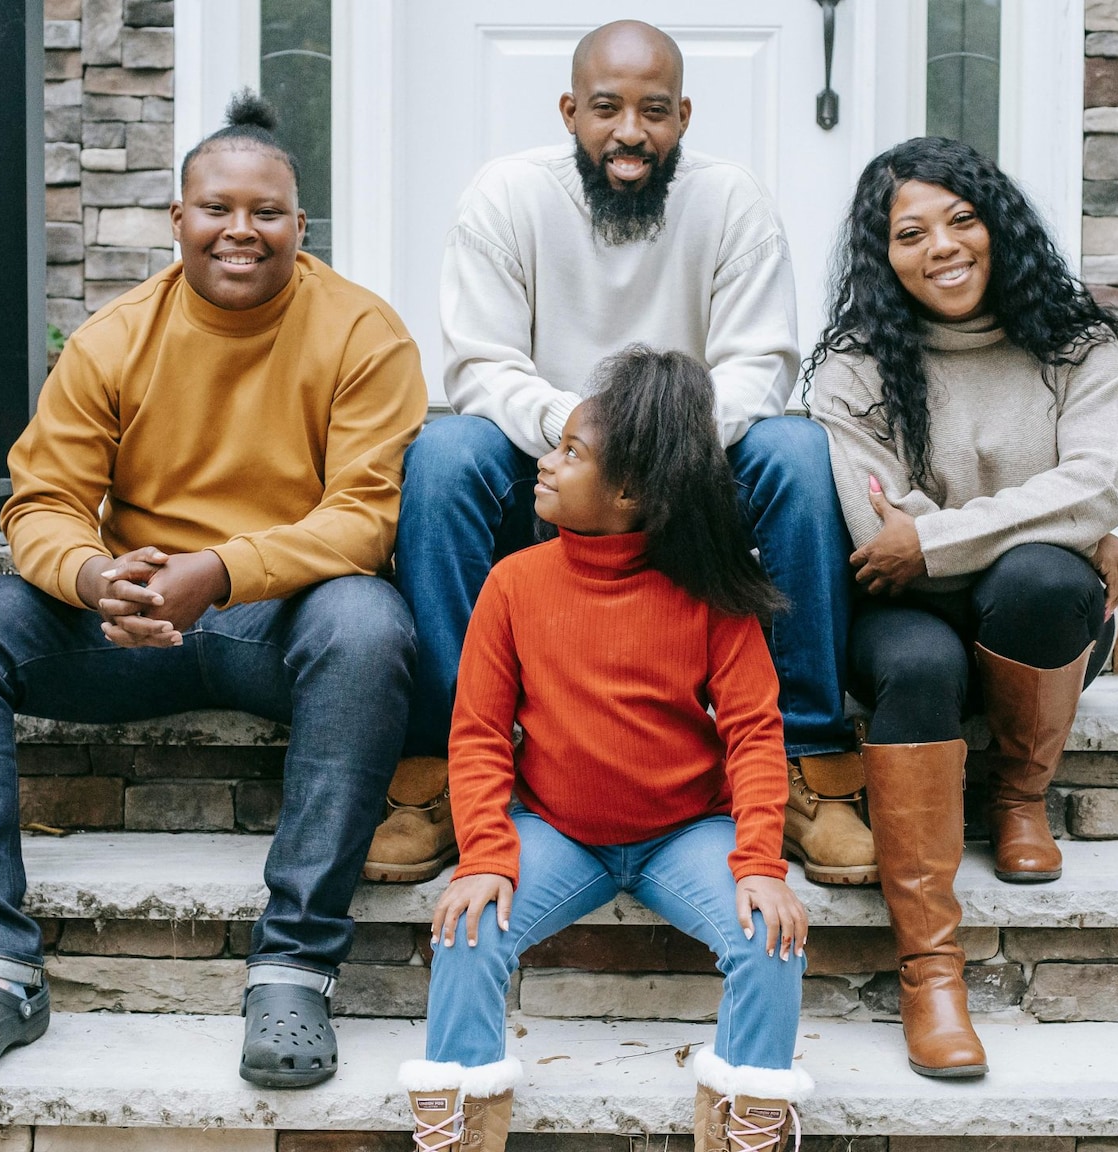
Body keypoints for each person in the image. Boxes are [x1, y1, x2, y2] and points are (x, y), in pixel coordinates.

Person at [0, 93, 426, 1087]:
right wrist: (97, 576)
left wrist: (220, 571)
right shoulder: (115, 338)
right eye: (216, 208)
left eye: (266, 212)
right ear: (176, 219)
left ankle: (293, 967)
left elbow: (368, 515)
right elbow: (40, 501)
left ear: (299, 226)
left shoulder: (361, 333)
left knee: (369, 625)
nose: (240, 230)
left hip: (280, 617)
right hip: (132, 621)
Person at [370, 19, 873, 890]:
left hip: (693, 461)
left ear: (684, 114)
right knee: (446, 453)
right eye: (606, 109)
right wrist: (587, 437)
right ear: (570, 110)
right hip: (550, 457)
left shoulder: (731, 201)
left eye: (652, 111)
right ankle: (447, 771)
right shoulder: (506, 196)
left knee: (794, 450)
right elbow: (482, 365)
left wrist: (656, 443)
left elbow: (762, 366)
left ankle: (808, 764)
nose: (629, 133)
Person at [398, 349, 811, 1152]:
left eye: (569, 453)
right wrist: (485, 852)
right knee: (466, 926)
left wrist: (760, 863)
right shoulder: (514, 584)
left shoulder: (709, 597)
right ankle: (459, 1122)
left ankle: (749, 1118)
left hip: (684, 833)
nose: (544, 463)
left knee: (769, 935)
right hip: (560, 831)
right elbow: (479, 734)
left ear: (629, 493)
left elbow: (756, 733)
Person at [808, 137, 1118, 1078]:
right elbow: (874, 526)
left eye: (962, 219)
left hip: (1026, 607)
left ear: (999, 227)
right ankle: (931, 972)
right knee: (920, 663)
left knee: (1042, 580)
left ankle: (1020, 797)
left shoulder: (1081, 347)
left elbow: (1094, 492)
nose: (942, 247)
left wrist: (937, 540)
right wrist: (1043, 525)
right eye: (910, 233)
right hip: (901, 617)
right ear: (885, 256)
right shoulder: (855, 368)